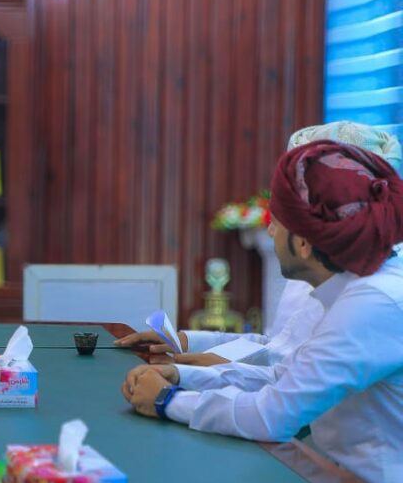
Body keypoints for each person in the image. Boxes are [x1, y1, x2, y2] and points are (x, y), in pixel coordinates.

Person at [121, 140, 403, 483]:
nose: (270, 233)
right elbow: (284, 374)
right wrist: (183, 377)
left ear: (304, 243)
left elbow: (272, 416)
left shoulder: (372, 303)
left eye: (276, 223)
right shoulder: (351, 285)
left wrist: (166, 401)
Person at [115, 120, 402, 368]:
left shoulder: (378, 290)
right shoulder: (314, 260)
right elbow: (278, 345)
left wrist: (190, 374)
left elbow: (292, 387)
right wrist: (185, 341)